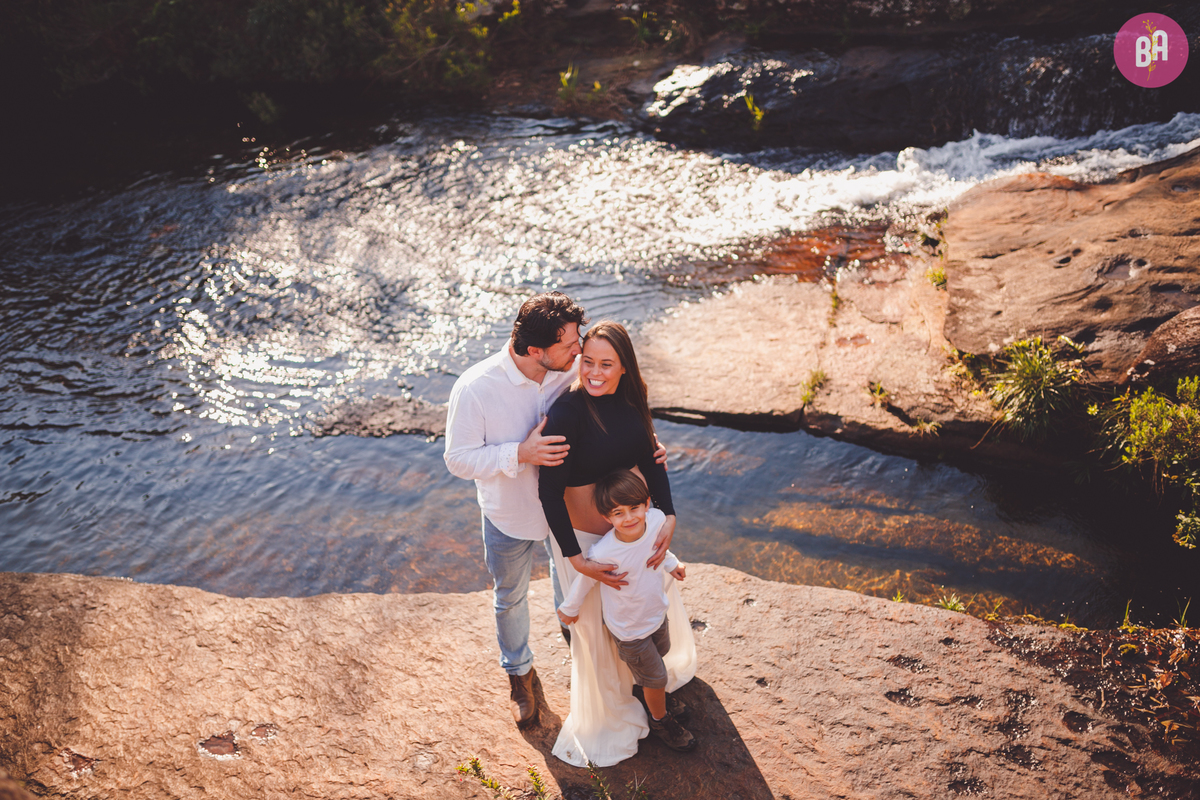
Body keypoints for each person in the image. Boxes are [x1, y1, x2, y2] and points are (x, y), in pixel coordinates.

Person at [443, 294, 665, 729]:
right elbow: (457, 459)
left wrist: (647, 445)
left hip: (570, 515)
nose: (579, 350)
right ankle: (520, 675)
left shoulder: (569, 369)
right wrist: (520, 453)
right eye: (569, 345)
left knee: (576, 593)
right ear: (535, 350)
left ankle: (592, 663)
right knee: (510, 597)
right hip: (510, 515)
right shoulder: (476, 387)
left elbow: (608, 403)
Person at [539, 320, 697, 767]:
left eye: (606, 364)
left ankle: (648, 688)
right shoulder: (567, 413)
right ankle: (621, 705)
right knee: (597, 629)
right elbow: (549, 493)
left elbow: (651, 458)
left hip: (634, 532)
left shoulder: (632, 400)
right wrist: (576, 559)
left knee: (642, 614)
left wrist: (668, 515)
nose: (594, 372)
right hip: (588, 542)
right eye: (587, 361)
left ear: (624, 366)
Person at [557, 469, 696, 752]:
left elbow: (659, 548)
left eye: (634, 508)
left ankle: (652, 694)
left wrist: (672, 564)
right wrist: (569, 608)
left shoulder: (655, 521)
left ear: (647, 504)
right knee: (656, 676)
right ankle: (660, 720)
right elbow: (585, 580)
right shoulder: (605, 551)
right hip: (629, 628)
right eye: (618, 513)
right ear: (607, 518)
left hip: (656, 613)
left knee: (662, 652)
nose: (629, 518)